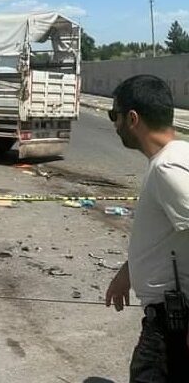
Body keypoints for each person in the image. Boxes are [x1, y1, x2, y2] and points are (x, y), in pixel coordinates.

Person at [104, 75, 189, 382]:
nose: (114, 125)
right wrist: (127, 273)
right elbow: (169, 237)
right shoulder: (177, 155)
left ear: (132, 118)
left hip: (172, 327)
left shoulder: (167, 168)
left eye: (114, 115)